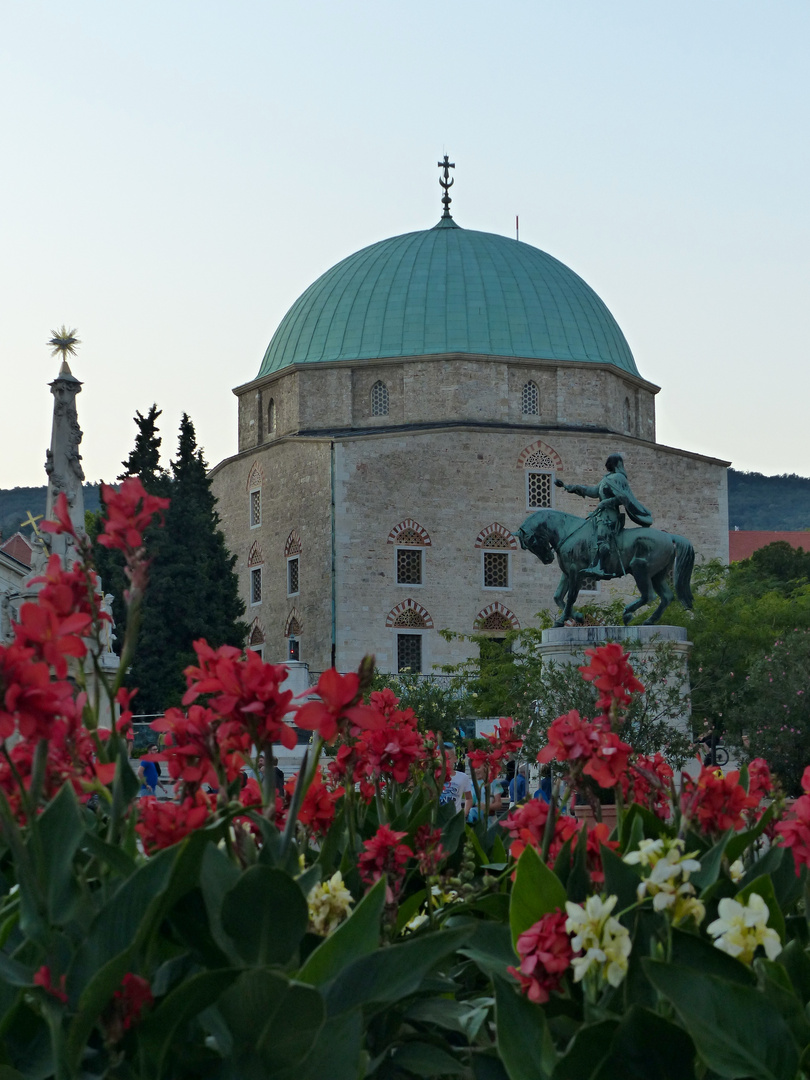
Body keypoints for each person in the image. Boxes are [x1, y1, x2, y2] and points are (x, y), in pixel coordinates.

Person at [555, 452, 653, 579]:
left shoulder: (619, 478)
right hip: (600, 515)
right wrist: (576, 488)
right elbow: (595, 491)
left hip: (610, 516)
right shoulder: (606, 479)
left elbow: (623, 498)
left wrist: (607, 502)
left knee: (602, 536)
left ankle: (601, 567)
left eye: (610, 462)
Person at [439, 745, 473, 816]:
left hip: (455, 818)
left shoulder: (463, 777)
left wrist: (464, 814)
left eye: (448, 758)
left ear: (455, 759)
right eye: (442, 759)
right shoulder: (434, 776)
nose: (445, 762)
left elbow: (469, 798)